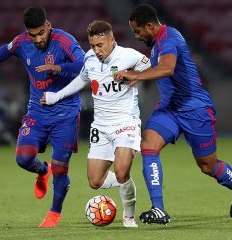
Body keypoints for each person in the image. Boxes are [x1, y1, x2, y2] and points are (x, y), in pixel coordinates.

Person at [114, 4, 232, 224]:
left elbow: (167, 68)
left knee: (208, 165)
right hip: (169, 109)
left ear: (150, 26)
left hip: (195, 109)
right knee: (148, 145)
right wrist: (135, 75)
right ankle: (158, 208)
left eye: (138, 31)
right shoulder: (157, 42)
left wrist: (136, 76)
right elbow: (160, 69)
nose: (137, 36)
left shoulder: (169, 38)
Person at [0, 7, 85, 227]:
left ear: (48, 25)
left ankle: (54, 213)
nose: (37, 39)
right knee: (22, 158)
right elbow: (5, 50)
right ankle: (43, 170)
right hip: (37, 111)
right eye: (33, 34)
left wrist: (58, 67)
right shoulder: (22, 42)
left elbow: (84, 65)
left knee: (61, 168)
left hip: (66, 112)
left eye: (41, 33)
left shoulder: (64, 41)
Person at [40, 20, 151, 228]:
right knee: (95, 181)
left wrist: (136, 75)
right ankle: (125, 181)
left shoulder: (128, 55)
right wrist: (56, 96)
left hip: (125, 121)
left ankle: (129, 216)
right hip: (101, 126)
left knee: (120, 171)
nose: (96, 50)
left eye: (100, 45)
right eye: (92, 45)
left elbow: (152, 65)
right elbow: (82, 79)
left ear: (111, 40)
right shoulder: (90, 58)